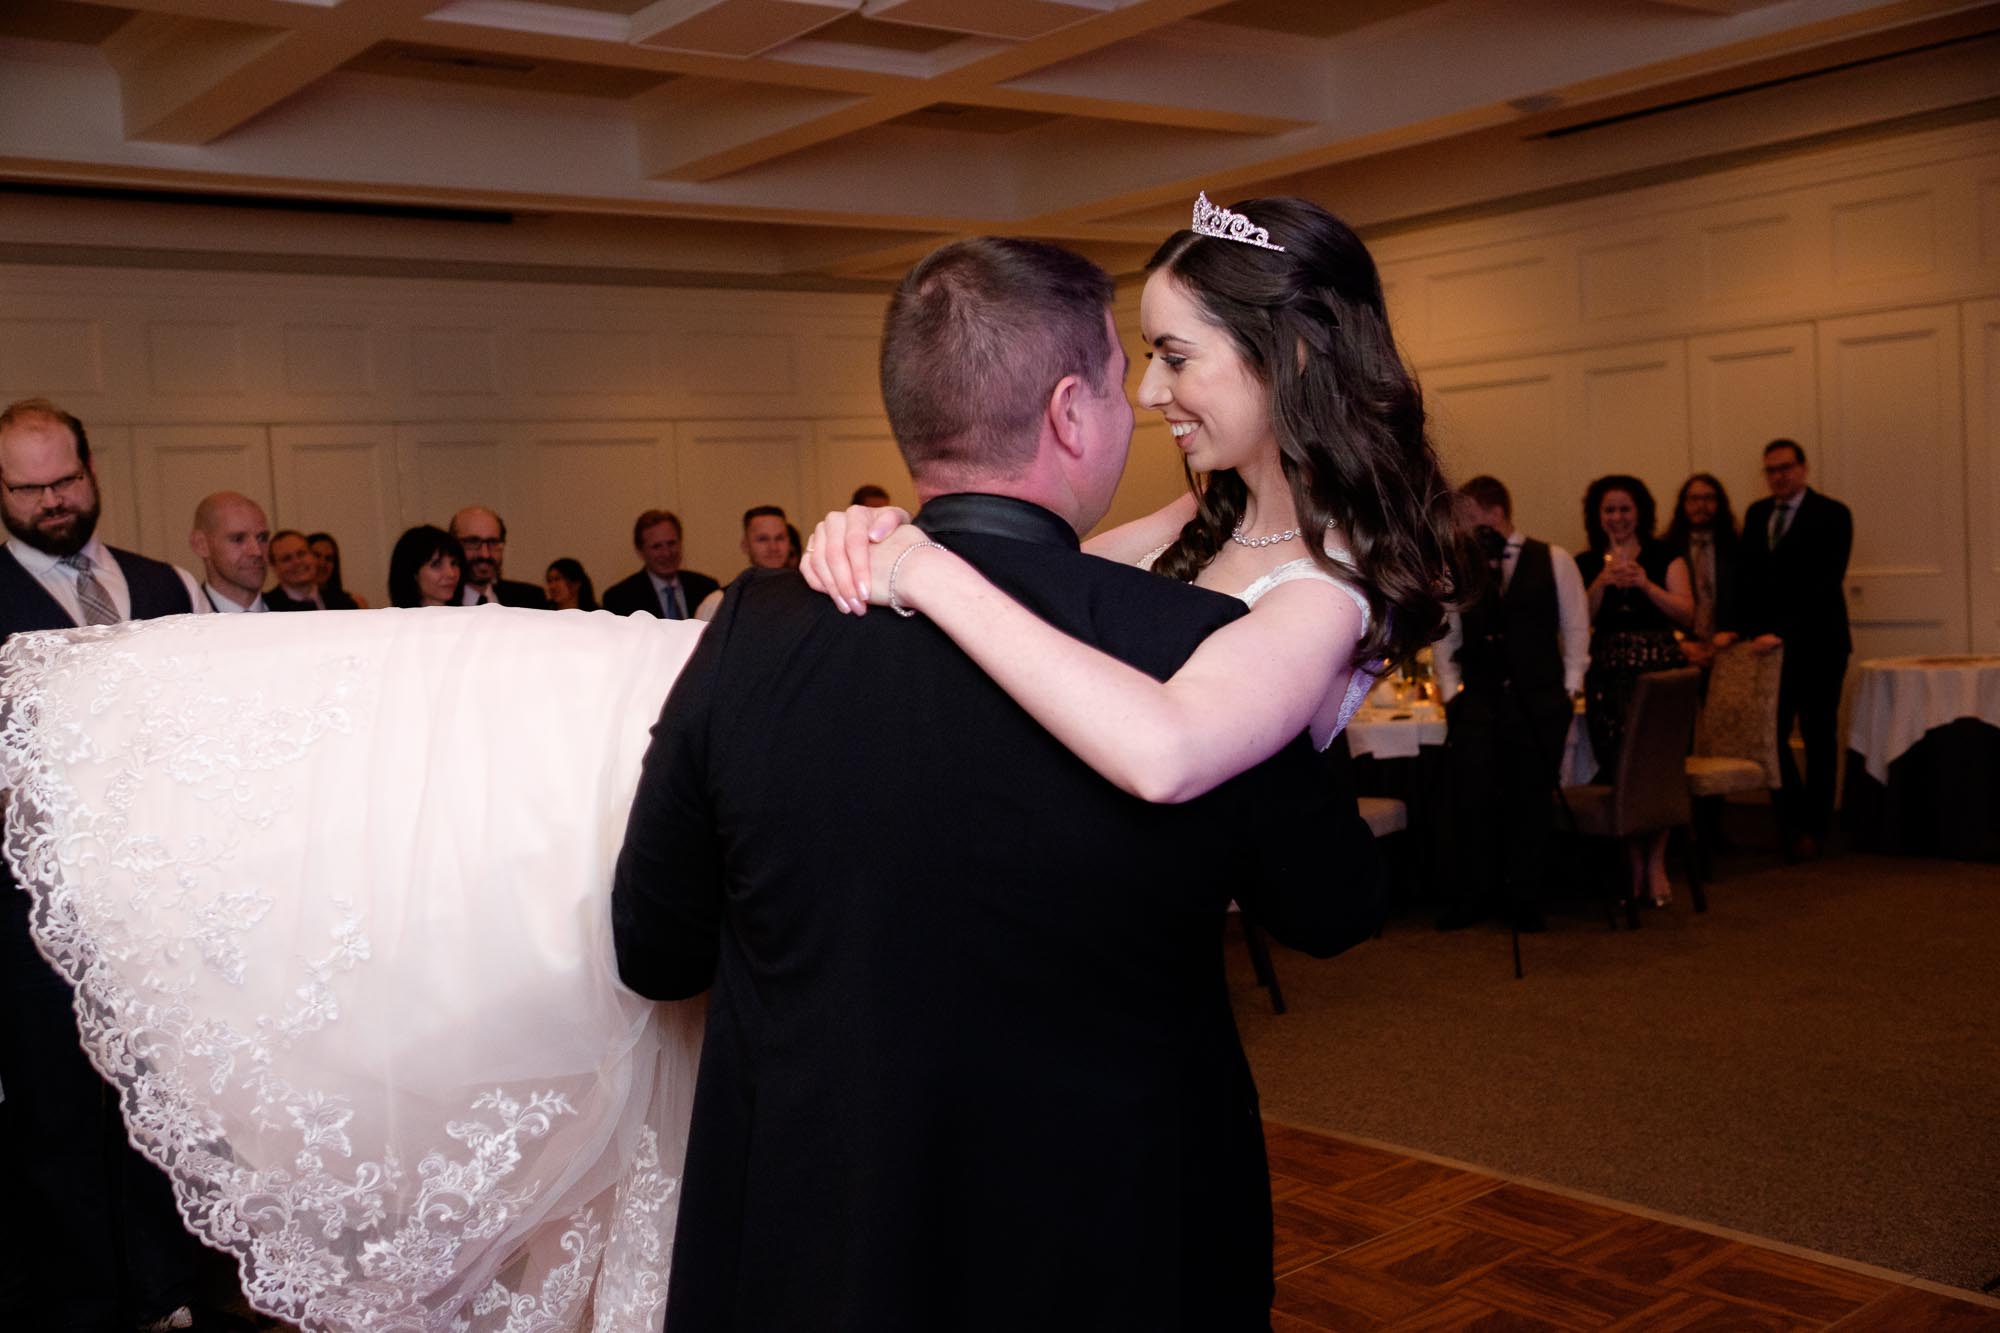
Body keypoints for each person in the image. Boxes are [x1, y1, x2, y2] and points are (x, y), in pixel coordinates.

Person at [617, 232, 1388, 1331]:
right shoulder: (1198, 635)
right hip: (1113, 1243)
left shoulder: (755, 620)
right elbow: (1329, 908)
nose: (1149, 402)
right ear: (1071, 413)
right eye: (1131, 376)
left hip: (818, 1237)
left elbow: (655, 948)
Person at [805, 195, 1462, 806]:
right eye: (1149, 357)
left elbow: (1165, 757)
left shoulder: (1331, 586)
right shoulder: (1198, 517)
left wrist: (920, 567)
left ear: (1288, 354)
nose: (1147, 393)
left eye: (1175, 359)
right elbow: (1020, 589)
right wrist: (873, 534)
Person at [0, 397, 209, 1333]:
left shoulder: (168, 584)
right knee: (61, 1121)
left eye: (66, 480)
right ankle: (92, 1306)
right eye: (29, 487)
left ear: (93, 470)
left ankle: (186, 1287)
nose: (52, 501)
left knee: (174, 1108)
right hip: (30, 921)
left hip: (168, 913)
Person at [1430, 475, 1591, 933]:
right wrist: (1450, 695)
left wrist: (1570, 688)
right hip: (1479, 700)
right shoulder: (1460, 564)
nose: (1461, 527)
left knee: (1530, 800)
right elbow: (1448, 634)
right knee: (1474, 797)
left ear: (1494, 513)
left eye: (1467, 517)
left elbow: (1575, 627)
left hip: (1539, 700)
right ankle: (1475, 894)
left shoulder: (1552, 559)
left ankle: (1525, 897)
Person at [1722, 439, 1853, 858]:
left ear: (1803, 468)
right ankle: (1791, 822)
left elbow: (1824, 581)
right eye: (1771, 470)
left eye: (1785, 468)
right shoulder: (1759, 514)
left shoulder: (1832, 514)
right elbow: (1748, 579)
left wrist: (1784, 631)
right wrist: (1737, 629)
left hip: (1818, 643)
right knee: (1771, 734)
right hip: (1768, 649)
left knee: (1817, 734)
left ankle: (1816, 825)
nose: (1778, 476)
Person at [1575, 474, 1694, 906]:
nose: (1618, 517)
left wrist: (1646, 584)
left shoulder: (1667, 556)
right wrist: (1601, 584)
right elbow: (1577, 619)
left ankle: (1658, 859)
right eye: (1610, 509)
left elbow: (1686, 614)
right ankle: (1633, 863)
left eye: (1625, 508)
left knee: (1656, 767)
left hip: (1659, 674)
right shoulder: (1586, 562)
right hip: (1608, 675)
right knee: (1617, 766)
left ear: (1639, 512)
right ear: (1598, 516)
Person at [1664, 473, 1738, 665]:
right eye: (1694, 498)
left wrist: (1732, 633)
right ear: (1683, 503)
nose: (1701, 506)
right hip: (1681, 651)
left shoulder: (1737, 546)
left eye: (1708, 498)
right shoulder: (1666, 549)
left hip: (1729, 648)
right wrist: (1679, 640)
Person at [601, 510, 719, 620]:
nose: (667, 553)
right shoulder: (620, 599)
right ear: (640, 551)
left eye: (671, 543)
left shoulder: (707, 588)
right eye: (657, 546)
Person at [693, 504, 790, 620]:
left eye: (780, 538)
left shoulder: (806, 596)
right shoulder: (718, 602)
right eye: (762, 539)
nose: (773, 547)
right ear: (745, 545)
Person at [449, 506, 549, 608]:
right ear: (452, 545)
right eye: (473, 542)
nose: (485, 554)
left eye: (493, 542)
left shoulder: (531, 598)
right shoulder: (438, 606)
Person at [190, 490, 273, 612]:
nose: (257, 551)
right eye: (238, 539)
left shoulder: (300, 617)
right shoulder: (180, 623)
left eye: (262, 538)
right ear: (201, 545)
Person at [387, 523, 466, 608]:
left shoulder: (471, 618)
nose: (451, 574)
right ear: (413, 573)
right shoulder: (394, 620)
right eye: (436, 564)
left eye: (454, 563)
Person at [267, 528, 328, 610]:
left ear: (313, 556)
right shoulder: (265, 608)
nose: (297, 562)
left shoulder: (342, 601)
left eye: (301, 554)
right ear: (274, 568)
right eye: (286, 558)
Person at [307, 530, 365, 608]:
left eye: (329, 558)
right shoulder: (287, 601)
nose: (322, 563)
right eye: (316, 555)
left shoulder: (352, 603)